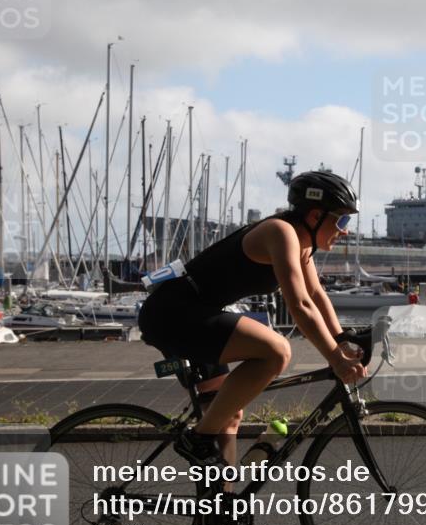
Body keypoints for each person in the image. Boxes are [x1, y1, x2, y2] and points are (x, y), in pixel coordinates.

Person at [137, 171, 367, 469]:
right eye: (342, 220)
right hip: (174, 313)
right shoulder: (280, 233)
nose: (345, 230)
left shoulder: (303, 244)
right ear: (314, 216)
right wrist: (335, 358)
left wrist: (342, 342)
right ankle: (196, 439)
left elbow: (316, 296)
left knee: (228, 415)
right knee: (276, 351)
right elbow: (298, 304)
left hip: (197, 313)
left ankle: (222, 505)